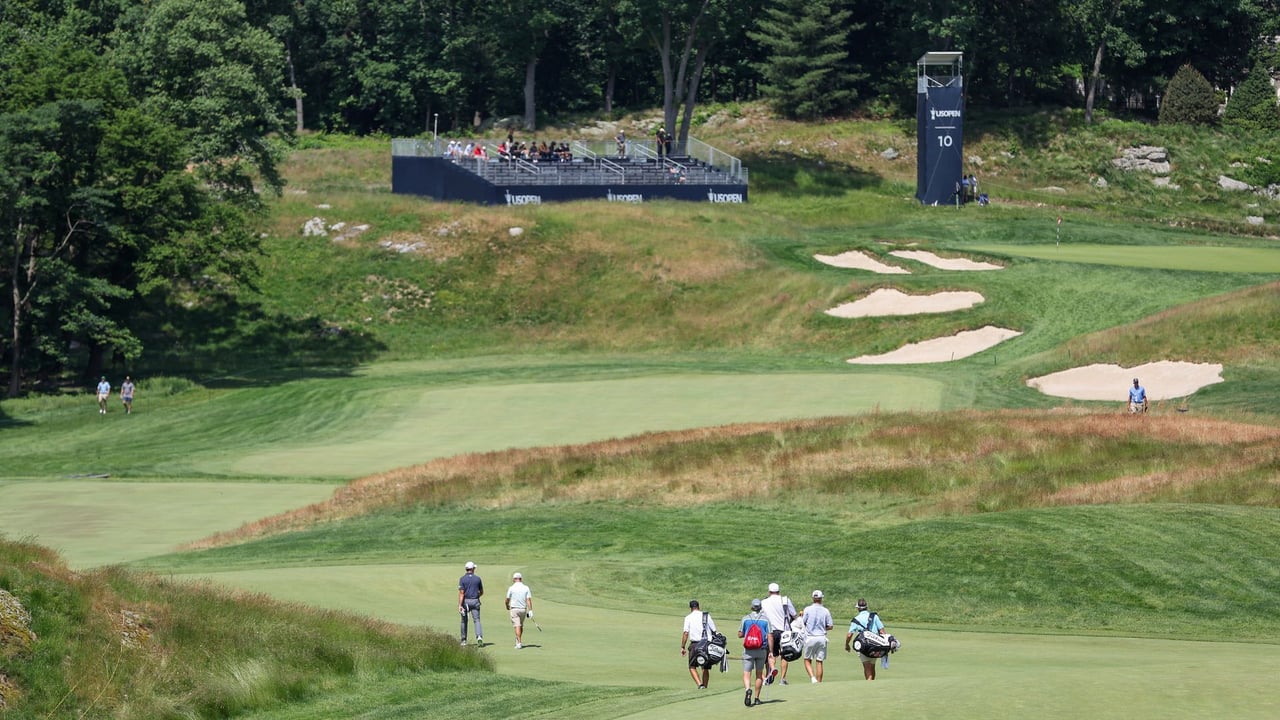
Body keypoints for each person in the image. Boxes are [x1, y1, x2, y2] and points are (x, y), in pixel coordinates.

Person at [760, 582, 797, 685]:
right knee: (785, 655)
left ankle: (769, 675)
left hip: (770, 631)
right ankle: (782, 679)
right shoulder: (785, 600)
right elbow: (794, 615)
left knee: (771, 654)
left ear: (769, 592)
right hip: (784, 631)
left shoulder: (764, 602)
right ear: (778, 591)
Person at [738, 599, 772, 706]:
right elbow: (770, 636)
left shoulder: (745, 618)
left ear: (751, 607)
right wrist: (771, 651)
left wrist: (748, 634)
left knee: (747, 673)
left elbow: (740, 634)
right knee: (759, 674)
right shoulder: (766, 620)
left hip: (748, 650)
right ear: (760, 607)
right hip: (761, 650)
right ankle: (757, 698)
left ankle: (748, 689)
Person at [845, 598, 887, 680]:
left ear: (857, 608)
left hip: (864, 645)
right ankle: (872, 683)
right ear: (866, 607)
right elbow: (882, 631)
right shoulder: (874, 616)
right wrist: (885, 644)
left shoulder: (856, 619)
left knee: (867, 667)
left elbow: (849, 634)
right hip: (876, 644)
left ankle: (869, 684)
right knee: (872, 666)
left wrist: (847, 645)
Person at [680, 599, 717, 689]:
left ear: (691, 608)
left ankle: (700, 685)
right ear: (698, 607)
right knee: (705, 667)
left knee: (692, 666)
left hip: (695, 644)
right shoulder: (706, 615)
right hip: (706, 644)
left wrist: (683, 646)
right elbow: (714, 630)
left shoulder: (688, 617)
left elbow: (685, 633)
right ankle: (705, 686)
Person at [801, 590, 834, 683]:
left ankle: (812, 678)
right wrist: (823, 628)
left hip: (810, 638)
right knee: (819, 661)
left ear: (813, 598)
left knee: (807, 659)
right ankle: (818, 682)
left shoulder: (807, 609)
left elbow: (803, 623)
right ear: (821, 599)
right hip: (822, 638)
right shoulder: (825, 610)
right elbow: (830, 626)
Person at [457, 561, 484, 646]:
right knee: (477, 620)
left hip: (466, 602)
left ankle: (464, 640)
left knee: (464, 621)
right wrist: (477, 596)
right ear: (472, 569)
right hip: (475, 601)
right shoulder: (478, 578)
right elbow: (482, 591)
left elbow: (462, 593)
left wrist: (460, 605)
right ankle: (479, 637)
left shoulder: (462, 579)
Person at [504, 571, 533, 649]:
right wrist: (530, 610)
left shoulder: (511, 588)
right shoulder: (526, 587)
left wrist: (507, 605)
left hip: (514, 609)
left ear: (514, 579)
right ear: (521, 579)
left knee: (517, 626)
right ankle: (518, 641)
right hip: (523, 609)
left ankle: (519, 643)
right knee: (520, 626)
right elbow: (528, 600)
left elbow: (507, 599)